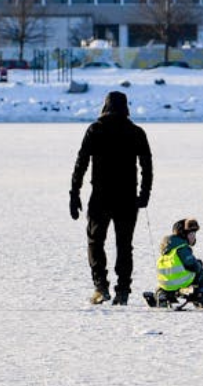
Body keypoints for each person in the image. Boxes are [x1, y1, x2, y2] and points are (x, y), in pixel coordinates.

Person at [69, 90, 153, 305]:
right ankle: (122, 290)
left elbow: (81, 163)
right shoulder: (136, 132)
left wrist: (74, 193)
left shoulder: (95, 129)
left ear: (105, 106)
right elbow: (147, 166)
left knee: (95, 242)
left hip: (101, 196)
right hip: (127, 198)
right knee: (124, 245)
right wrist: (144, 193)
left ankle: (101, 287)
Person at [146, 218, 203, 308]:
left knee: (164, 286)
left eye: (194, 234)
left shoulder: (167, 249)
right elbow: (192, 265)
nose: (194, 237)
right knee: (201, 273)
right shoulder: (182, 247)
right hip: (181, 281)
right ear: (183, 234)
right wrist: (198, 264)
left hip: (166, 284)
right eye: (191, 234)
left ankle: (162, 294)